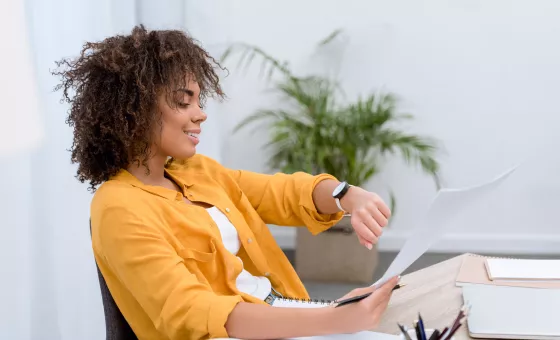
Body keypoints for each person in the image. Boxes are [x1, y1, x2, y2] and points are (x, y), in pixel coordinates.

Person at [52, 25, 399, 340]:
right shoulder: (118, 206)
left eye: (199, 101)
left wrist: (346, 194)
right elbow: (192, 312)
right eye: (182, 100)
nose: (201, 113)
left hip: (286, 317)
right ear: (135, 109)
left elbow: (284, 194)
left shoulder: (196, 171)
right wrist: (333, 320)